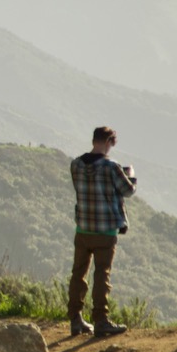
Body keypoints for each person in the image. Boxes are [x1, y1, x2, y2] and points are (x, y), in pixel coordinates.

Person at [66, 126, 137, 338]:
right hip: (105, 230)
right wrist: (130, 176)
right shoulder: (111, 167)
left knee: (78, 273)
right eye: (111, 144)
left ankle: (75, 319)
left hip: (83, 227)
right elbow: (128, 191)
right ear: (108, 142)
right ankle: (101, 320)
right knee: (101, 273)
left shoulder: (76, 164)